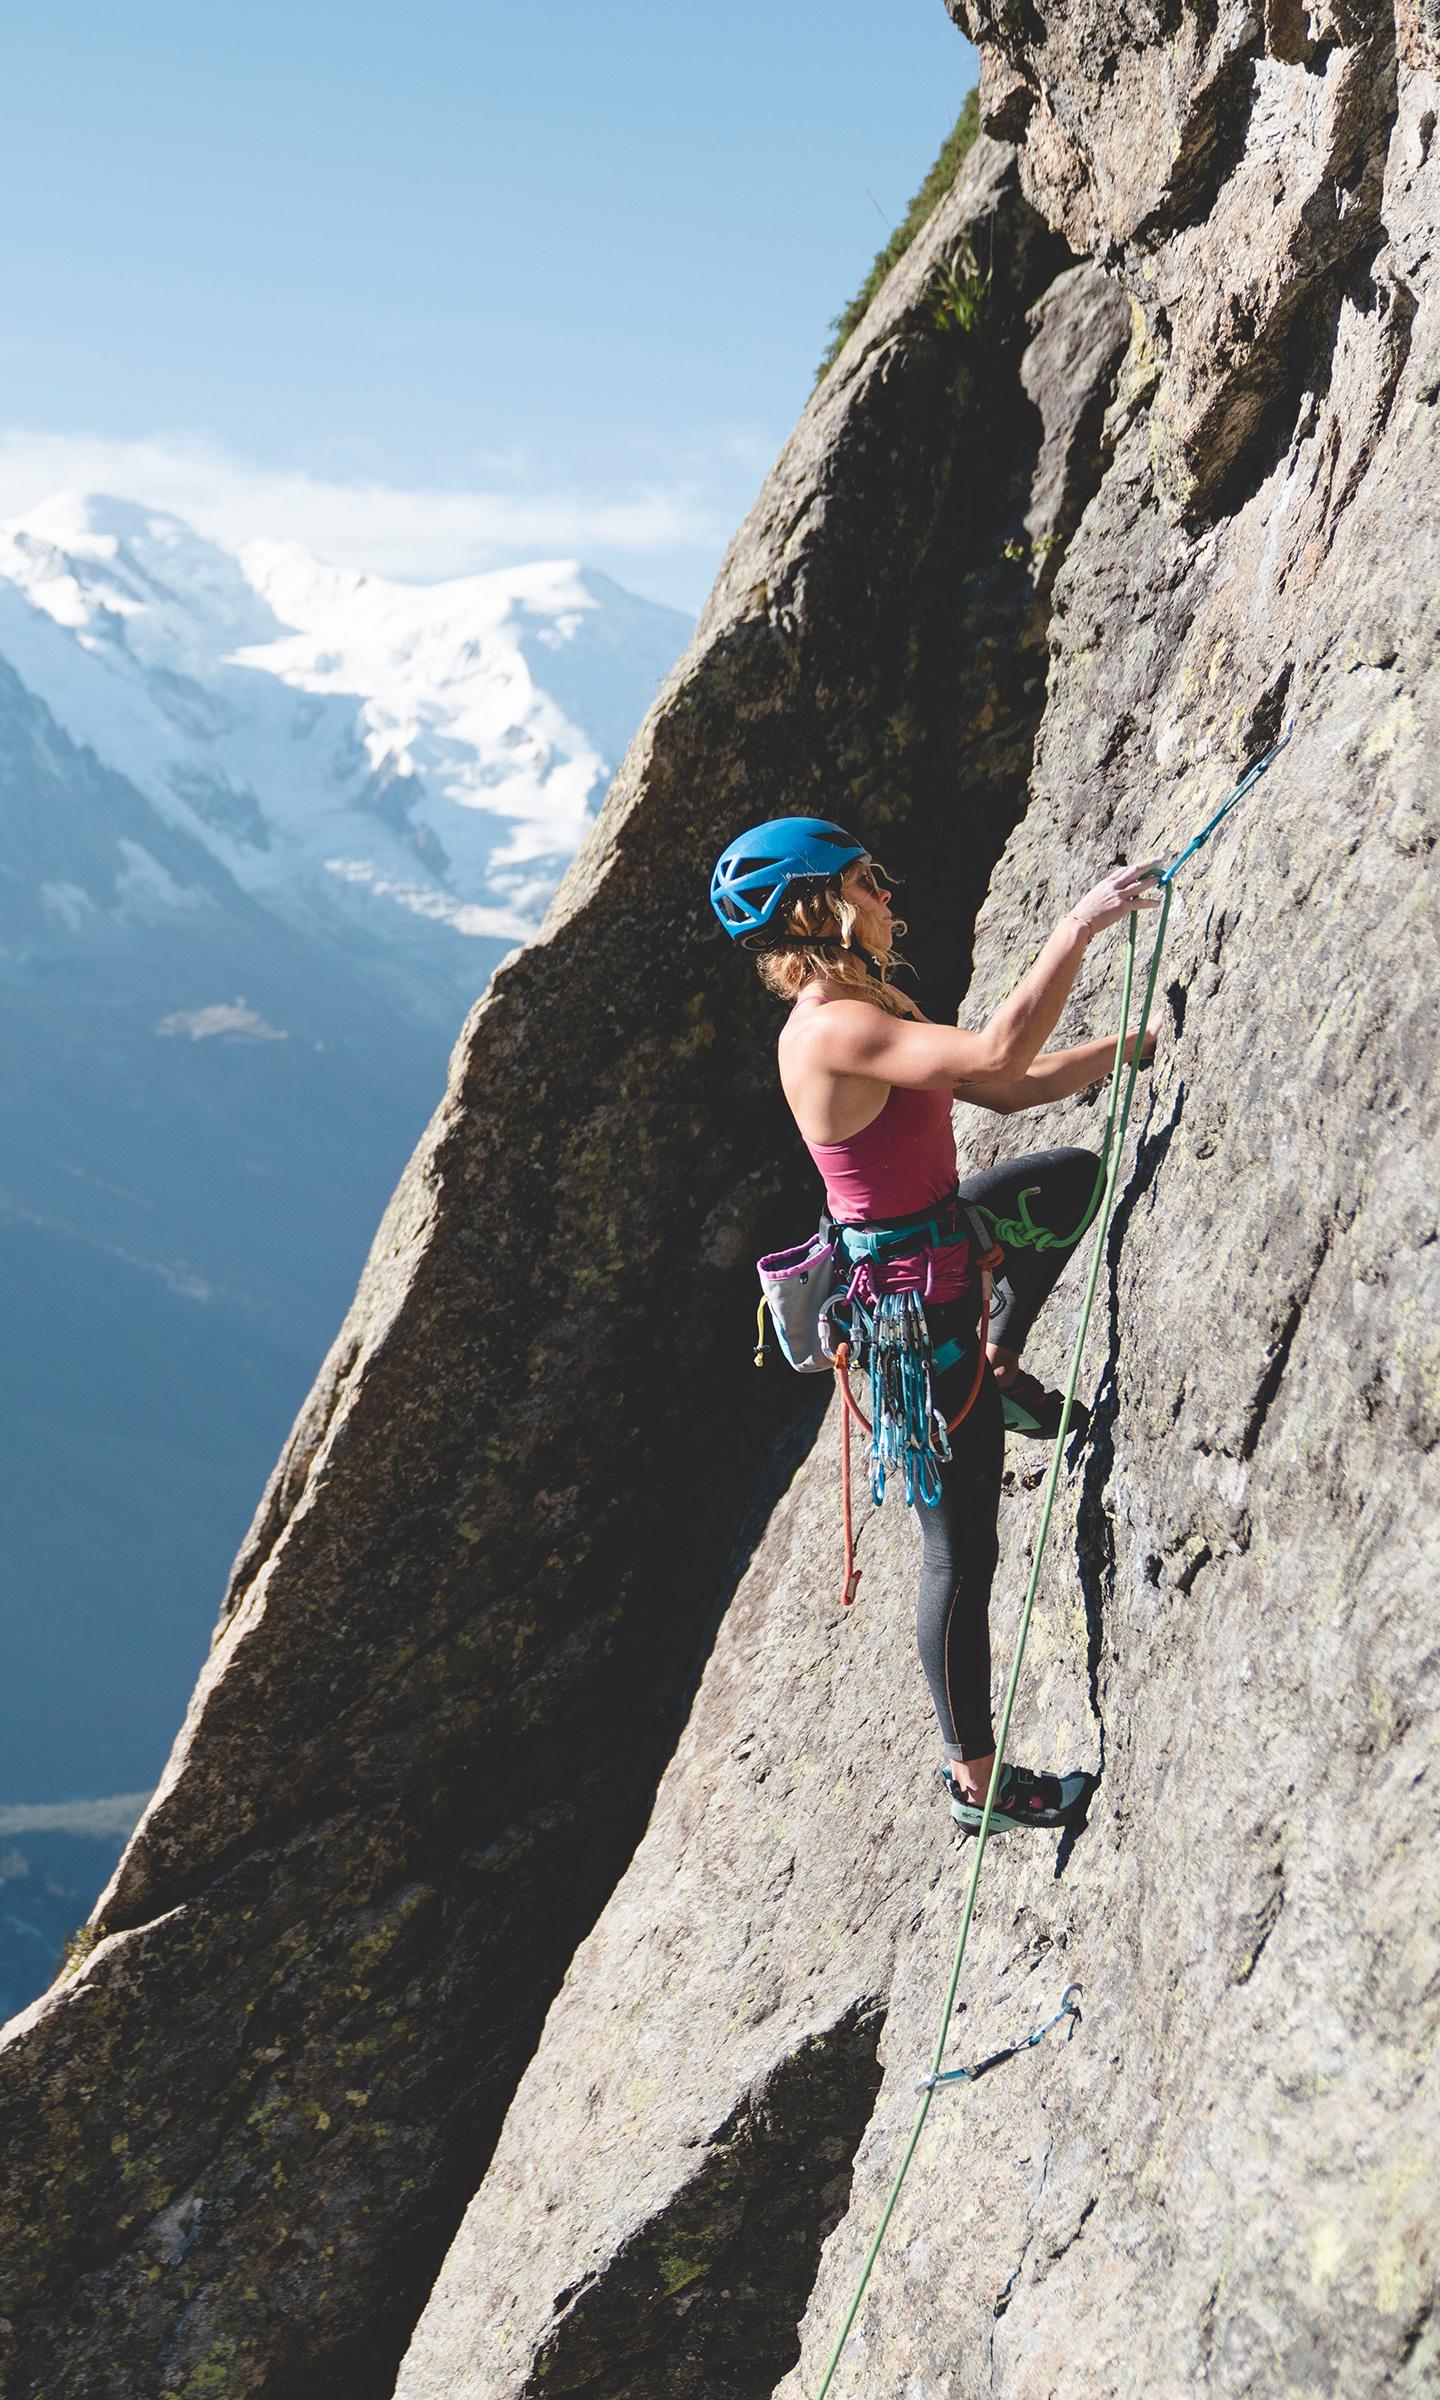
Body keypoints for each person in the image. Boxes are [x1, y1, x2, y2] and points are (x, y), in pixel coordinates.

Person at [711, 817, 1161, 1836]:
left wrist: (1126, 1049)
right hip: (916, 1326)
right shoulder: (832, 1029)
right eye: (867, 880)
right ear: (817, 906)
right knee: (963, 1553)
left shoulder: (870, 1002)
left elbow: (1001, 1086)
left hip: (944, 1251)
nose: (887, 892)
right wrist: (1080, 925)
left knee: (1066, 1182)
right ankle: (976, 1781)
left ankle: (1000, 1360)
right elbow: (1002, 1047)